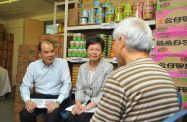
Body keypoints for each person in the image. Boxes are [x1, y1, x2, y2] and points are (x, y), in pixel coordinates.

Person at [91, 17, 180, 122]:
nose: (113, 49)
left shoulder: (118, 79)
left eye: (114, 43)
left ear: (122, 41)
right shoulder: (164, 74)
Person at [19, 40, 71, 122]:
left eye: (52, 51)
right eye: (46, 52)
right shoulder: (33, 66)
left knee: (53, 115)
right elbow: (25, 85)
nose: (50, 54)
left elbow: (67, 84)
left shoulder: (63, 63)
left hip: (57, 97)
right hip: (39, 97)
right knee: (25, 113)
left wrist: (57, 102)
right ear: (40, 54)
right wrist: (27, 101)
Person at [66, 36, 113, 122]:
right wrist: (78, 105)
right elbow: (79, 89)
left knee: (82, 119)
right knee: (70, 118)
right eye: (91, 49)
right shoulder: (82, 67)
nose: (94, 52)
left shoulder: (108, 67)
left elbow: (104, 92)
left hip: (98, 105)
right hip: (83, 102)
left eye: (97, 50)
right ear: (86, 50)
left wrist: (87, 107)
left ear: (102, 51)